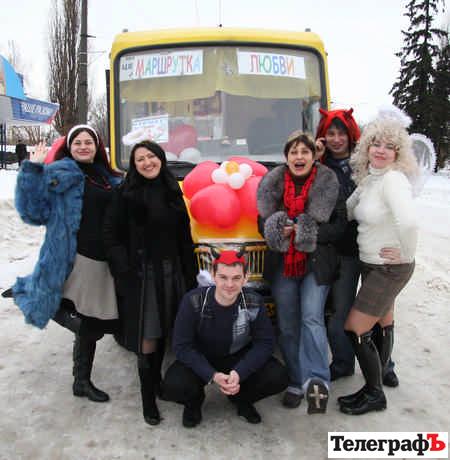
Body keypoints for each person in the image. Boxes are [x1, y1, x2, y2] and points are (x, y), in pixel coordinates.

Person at [11, 124, 123, 403]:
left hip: (103, 261)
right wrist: (32, 170)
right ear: (69, 148)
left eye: (89, 142)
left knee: (95, 323)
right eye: (77, 143)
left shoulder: (109, 177)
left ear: (97, 147)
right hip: (76, 257)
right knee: (88, 324)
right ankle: (81, 380)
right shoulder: (60, 174)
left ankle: (80, 381)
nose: (83, 146)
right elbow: (33, 212)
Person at [103, 140, 198, 426]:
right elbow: (110, 236)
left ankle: (158, 384)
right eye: (140, 159)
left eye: (151, 156)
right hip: (142, 276)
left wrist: (191, 275)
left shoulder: (172, 190)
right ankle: (148, 399)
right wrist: (124, 269)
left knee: (168, 333)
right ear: (134, 165)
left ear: (160, 158)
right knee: (148, 337)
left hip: (173, 273)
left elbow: (184, 237)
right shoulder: (124, 194)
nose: (147, 162)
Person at [257, 131, 346, 414]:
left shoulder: (328, 182)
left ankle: (317, 381)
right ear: (286, 157)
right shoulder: (272, 183)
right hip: (283, 263)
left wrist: (308, 232)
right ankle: (296, 380)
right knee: (287, 324)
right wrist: (276, 229)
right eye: (293, 152)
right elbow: (261, 223)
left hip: (316, 263)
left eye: (304, 152)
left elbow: (339, 226)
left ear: (313, 155)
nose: (299, 157)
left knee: (311, 318)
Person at [338, 114, 418, 415]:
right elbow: (347, 211)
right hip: (371, 264)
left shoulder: (393, 180)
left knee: (355, 327)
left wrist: (406, 254)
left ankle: (374, 394)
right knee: (384, 321)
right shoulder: (371, 179)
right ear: (367, 148)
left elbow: (409, 223)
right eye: (376, 144)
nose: (381, 150)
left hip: (389, 268)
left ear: (398, 153)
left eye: (389, 146)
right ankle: (380, 376)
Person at [316, 109, 400, 388]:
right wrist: (316, 158)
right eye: (330, 133)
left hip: (375, 251)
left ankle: (384, 366)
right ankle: (342, 362)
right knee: (341, 310)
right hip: (343, 251)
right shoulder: (320, 166)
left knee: (379, 312)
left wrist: (401, 247)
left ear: (351, 134)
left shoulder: (366, 161)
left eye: (341, 133)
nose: (336, 139)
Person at [162, 250, 288, 428]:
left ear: (245, 278)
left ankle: (241, 399)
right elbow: (181, 346)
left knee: (278, 376)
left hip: (237, 354)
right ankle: (193, 402)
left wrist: (240, 372)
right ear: (213, 276)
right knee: (173, 385)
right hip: (203, 355)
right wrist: (211, 374)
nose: (229, 284)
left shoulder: (253, 301)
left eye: (236, 278)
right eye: (223, 277)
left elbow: (265, 343)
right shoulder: (193, 301)